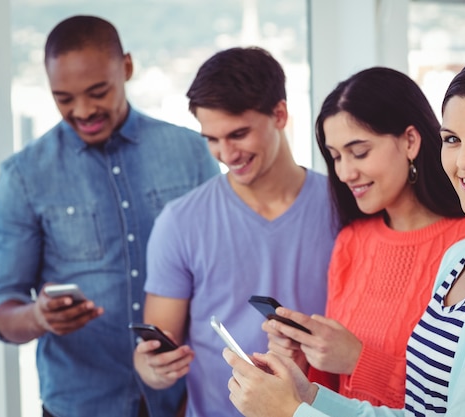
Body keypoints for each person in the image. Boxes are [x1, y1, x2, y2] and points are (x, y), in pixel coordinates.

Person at [223, 50, 465, 417]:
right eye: (452, 139)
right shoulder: (462, 256)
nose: (464, 161)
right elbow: (422, 411)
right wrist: (308, 395)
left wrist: (291, 413)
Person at [0, 15, 220, 417]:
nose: (83, 110)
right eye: (64, 98)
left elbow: (218, 276)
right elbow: (0, 311)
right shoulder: (23, 176)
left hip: (182, 402)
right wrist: (38, 317)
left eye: (98, 91)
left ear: (126, 68)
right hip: (79, 405)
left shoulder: (190, 152)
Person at [132, 46, 337, 417]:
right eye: (212, 139)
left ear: (280, 114)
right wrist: (152, 369)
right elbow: (161, 345)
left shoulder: (343, 208)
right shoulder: (180, 222)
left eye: (238, 134)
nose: (226, 154)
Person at [262, 67, 465, 408]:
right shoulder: (352, 241)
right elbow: (335, 392)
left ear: (410, 141)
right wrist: (305, 359)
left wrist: (358, 360)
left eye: (359, 152)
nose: (345, 172)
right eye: (335, 156)